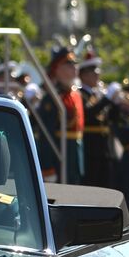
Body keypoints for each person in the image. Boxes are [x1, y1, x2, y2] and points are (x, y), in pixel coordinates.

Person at [34, 45, 85, 184]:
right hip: (60, 158)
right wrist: (48, 169)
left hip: (75, 156)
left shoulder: (75, 94)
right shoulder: (52, 98)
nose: (74, 67)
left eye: (75, 64)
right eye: (68, 64)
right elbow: (46, 136)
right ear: (57, 69)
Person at [76, 51, 118, 192]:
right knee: (91, 185)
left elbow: (112, 119)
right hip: (90, 146)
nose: (97, 75)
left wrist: (115, 103)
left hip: (104, 147)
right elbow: (87, 114)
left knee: (106, 185)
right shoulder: (80, 94)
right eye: (93, 72)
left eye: (97, 72)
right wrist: (106, 100)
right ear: (83, 75)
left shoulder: (98, 94)